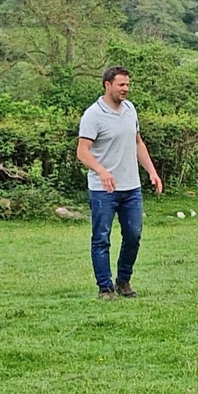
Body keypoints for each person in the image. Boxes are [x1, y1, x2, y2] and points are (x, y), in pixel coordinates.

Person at [77, 66, 162, 300]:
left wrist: (152, 172)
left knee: (133, 235)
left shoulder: (130, 109)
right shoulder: (93, 115)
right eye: (121, 85)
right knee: (101, 238)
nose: (126, 89)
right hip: (103, 190)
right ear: (107, 85)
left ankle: (123, 280)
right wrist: (101, 171)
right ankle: (105, 288)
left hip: (131, 187)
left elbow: (137, 143)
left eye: (127, 84)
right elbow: (82, 152)